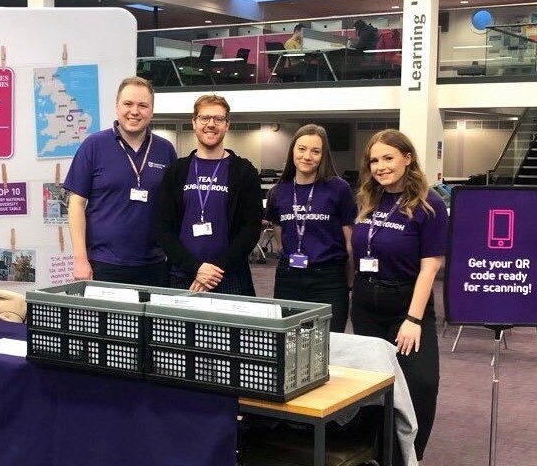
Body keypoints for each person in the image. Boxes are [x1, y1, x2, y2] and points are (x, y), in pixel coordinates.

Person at [350, 129, 447, 461]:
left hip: (406, 307)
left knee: (420, 386)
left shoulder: (429, 203)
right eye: (374, 160)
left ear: (408, 158)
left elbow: (430, 266)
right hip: (365, 306)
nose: (380, 166)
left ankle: (410, 458)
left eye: (388, 158)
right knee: (374, 391)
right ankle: (377, 455)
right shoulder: (368, 198)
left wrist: (413, 319)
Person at [63, 76, 177, 286]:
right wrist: (80, 259)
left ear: (151, 111)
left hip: (154, 265)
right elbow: (76, 204)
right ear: (117, 107)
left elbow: (175, 207)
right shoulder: (94, 146)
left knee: (149, 321)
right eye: (128, 104)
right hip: (103, 263)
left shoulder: (165, 150)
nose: (135, 111)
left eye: (143, 105)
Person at [155, 94, 262, 295]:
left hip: (229, 277)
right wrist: (196, 269)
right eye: (204, 118)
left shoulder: (244, 172)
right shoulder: (176, 171)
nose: (211, 124)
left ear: (227, 125)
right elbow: (163, 227)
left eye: (218, 119)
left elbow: (251, 229)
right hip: (182, 277)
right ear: (194, 123)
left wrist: (214, 272)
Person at [265, 124, 356, 332]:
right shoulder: (279, 191)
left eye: (316, 151)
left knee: (328, 344)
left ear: (323, 155)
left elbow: (350, 244)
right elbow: (280, 238)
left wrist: (349, 283)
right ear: (292, 151)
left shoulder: (339, 189)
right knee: (289, 342)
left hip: (329, 280)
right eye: (302, 149)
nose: (307, 156)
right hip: (289, 278)